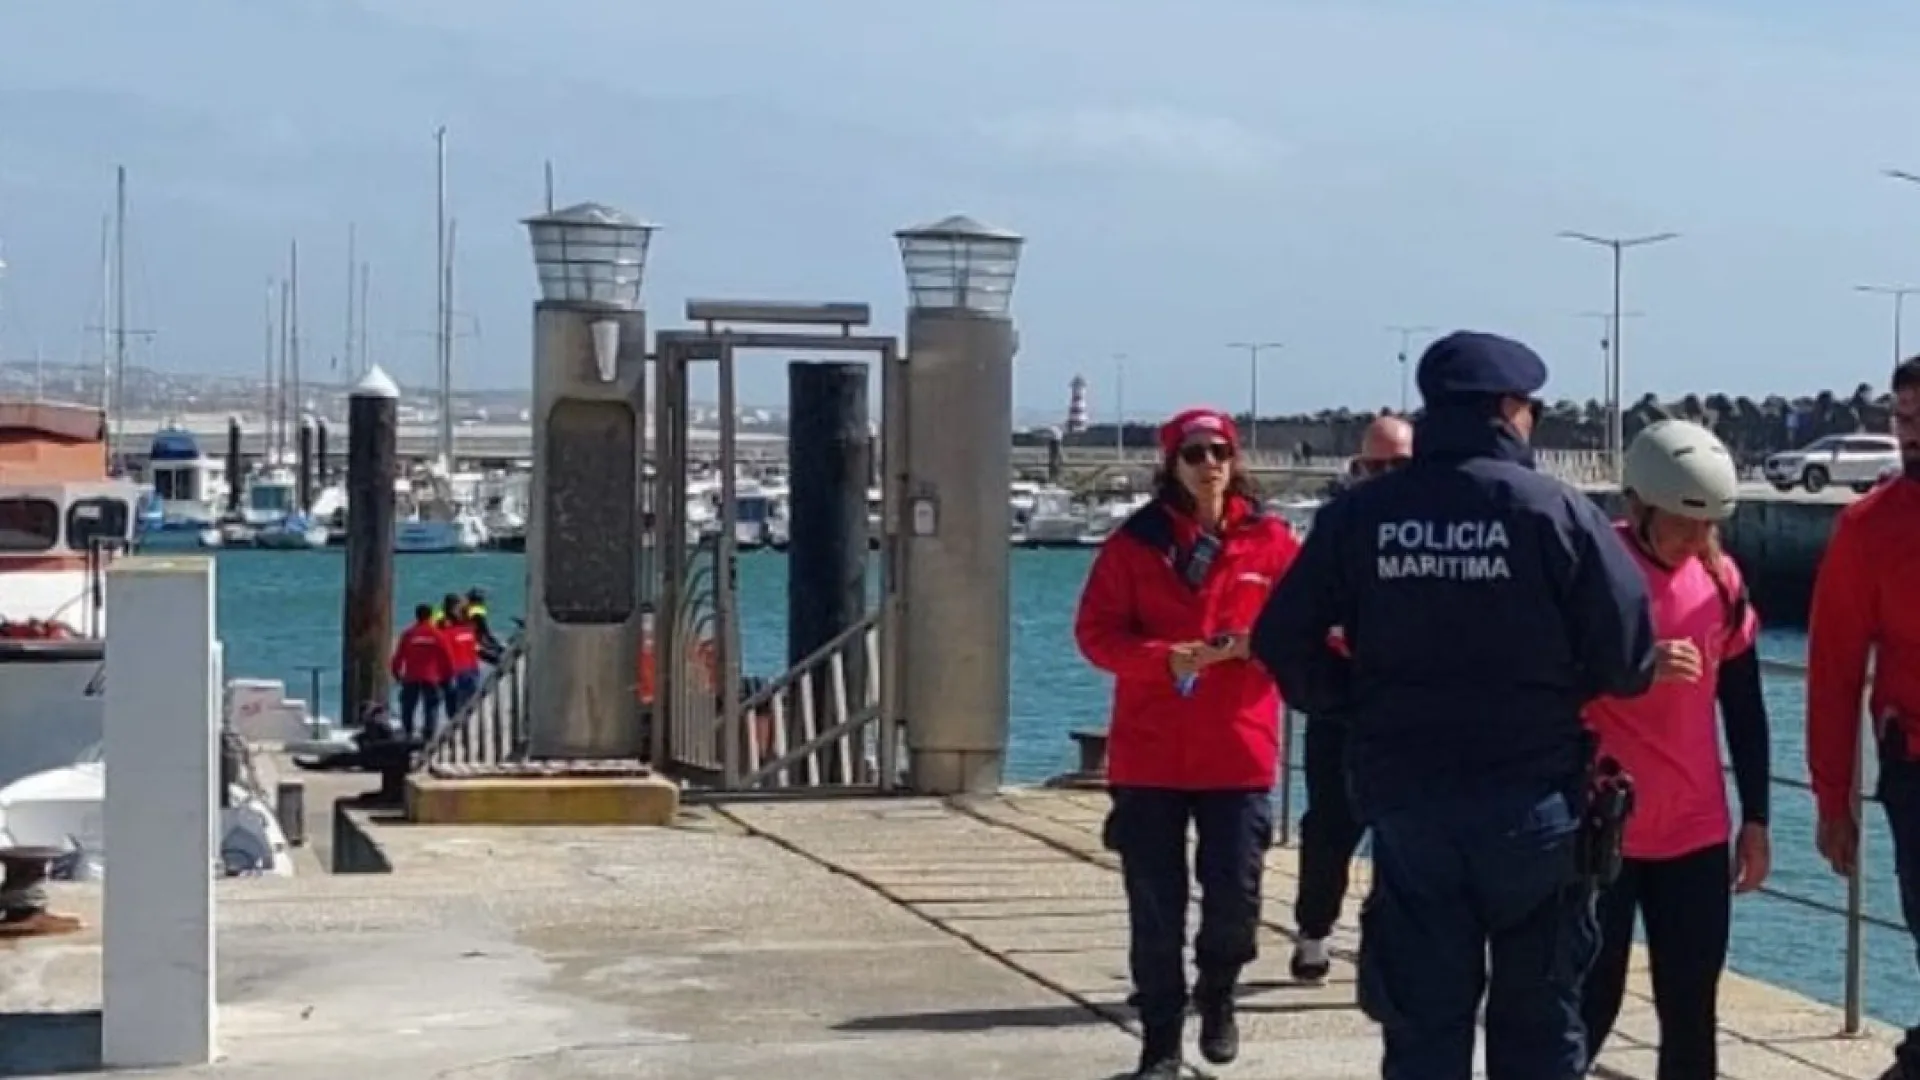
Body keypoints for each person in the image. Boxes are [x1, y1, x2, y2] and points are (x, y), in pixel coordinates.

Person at [1251, 330, 1659, 1080]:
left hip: (1410, 804)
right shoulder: (1556, 513)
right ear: (1509, 411)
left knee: (1422, 1028)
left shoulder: (1364, 515)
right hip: (1535, 803)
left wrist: (1350, 702)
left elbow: (1280, 639)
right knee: (1539, 1028)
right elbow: (1631, 659)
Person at [1074, 407, 1302, 1079]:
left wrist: (1257, 647)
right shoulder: (1134, 544)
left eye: (1221, 451)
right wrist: (1160, 658)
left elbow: (1314, 624)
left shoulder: (1271, 542)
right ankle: (1161, 1043)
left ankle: (1221, 990)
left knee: (1235, 897)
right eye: (1196, 453)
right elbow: (1095, 634)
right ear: (1171, 465)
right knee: (1155, 905)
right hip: (1151, 754)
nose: (1211, 465)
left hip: (1238, 750)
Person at [1579, 419, 1773, 1079]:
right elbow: (1542, 673)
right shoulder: (1595, 567)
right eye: (1683, 525)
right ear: (1640, 506)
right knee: (1588, 1001)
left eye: (1709, 526)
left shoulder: (1721, 580)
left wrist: (1757, 820)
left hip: (1694, 830)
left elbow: (1745, 708)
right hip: (1602, 828)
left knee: (1690, 1010)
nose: (1697, 540)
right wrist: (1638, 662)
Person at [1807, 356, 1920, 1080]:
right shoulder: (1868, 527)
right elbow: (1834, 671)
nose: (1910, 436)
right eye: (1903, 420)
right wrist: (1830, 798)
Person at [1290, 413, 1412, 984]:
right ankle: (1314, 929)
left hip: (1409, 711)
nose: (1384, 476)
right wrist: (1318, 686)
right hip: (1341, 704)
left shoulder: (1436, 529)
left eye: (1398, 465)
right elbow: (1291, 623)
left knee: (1405, 831)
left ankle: (1383, 940)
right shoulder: (1336, 528)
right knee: (1330, 825)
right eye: (1373, 465)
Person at [389, 603, 455, 741]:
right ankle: (428, 735)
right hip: (431, 677)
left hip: (411, 677)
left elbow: (398, 657)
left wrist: (396, 674)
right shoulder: (437, 635)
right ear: (430, 616)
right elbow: (447, 657)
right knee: (431, 706)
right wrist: (447, 676)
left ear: (416, 616)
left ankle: (408, 732)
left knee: (408, 706)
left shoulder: (408, 634)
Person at [441, 601, 483, 717]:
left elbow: (446, 655)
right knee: (470, 704)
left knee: (453, 706)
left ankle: (455, 727)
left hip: (456, 672)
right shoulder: (470, 632)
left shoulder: (447, 634)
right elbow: (474, 651)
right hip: (472, 670)